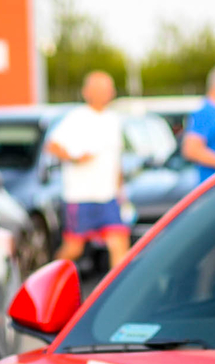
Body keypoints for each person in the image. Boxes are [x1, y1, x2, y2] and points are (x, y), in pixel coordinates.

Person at [46, 70, 131, 269]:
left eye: (109, 89)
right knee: (74, 248)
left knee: (119, 243)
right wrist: (75, 158)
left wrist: (121, 192)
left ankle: (118, 295)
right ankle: (48, 278)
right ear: (87, 92)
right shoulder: (76, 117)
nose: (107, 93)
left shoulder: (113, 119)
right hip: (80, 197)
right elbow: (52, 146)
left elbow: (115, 160)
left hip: (108, 196)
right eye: (101, 89)